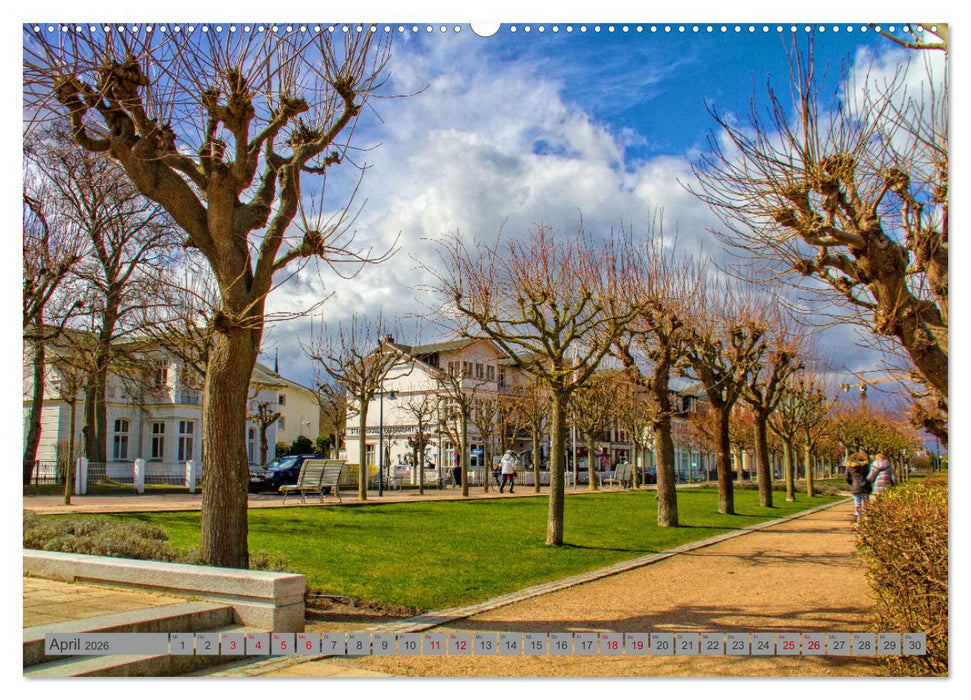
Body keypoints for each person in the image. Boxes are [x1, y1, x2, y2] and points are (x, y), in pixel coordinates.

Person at [844, 452, 872, 522]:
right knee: (866, 503)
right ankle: (866, 518)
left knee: (857, 503)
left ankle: (858, 518)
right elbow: (870, 476)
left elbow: (846, 477)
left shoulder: (849, 466)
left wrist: (852, 483)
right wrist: (868, 482)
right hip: (865, 486)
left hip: (855, 486)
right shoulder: (866, 466)